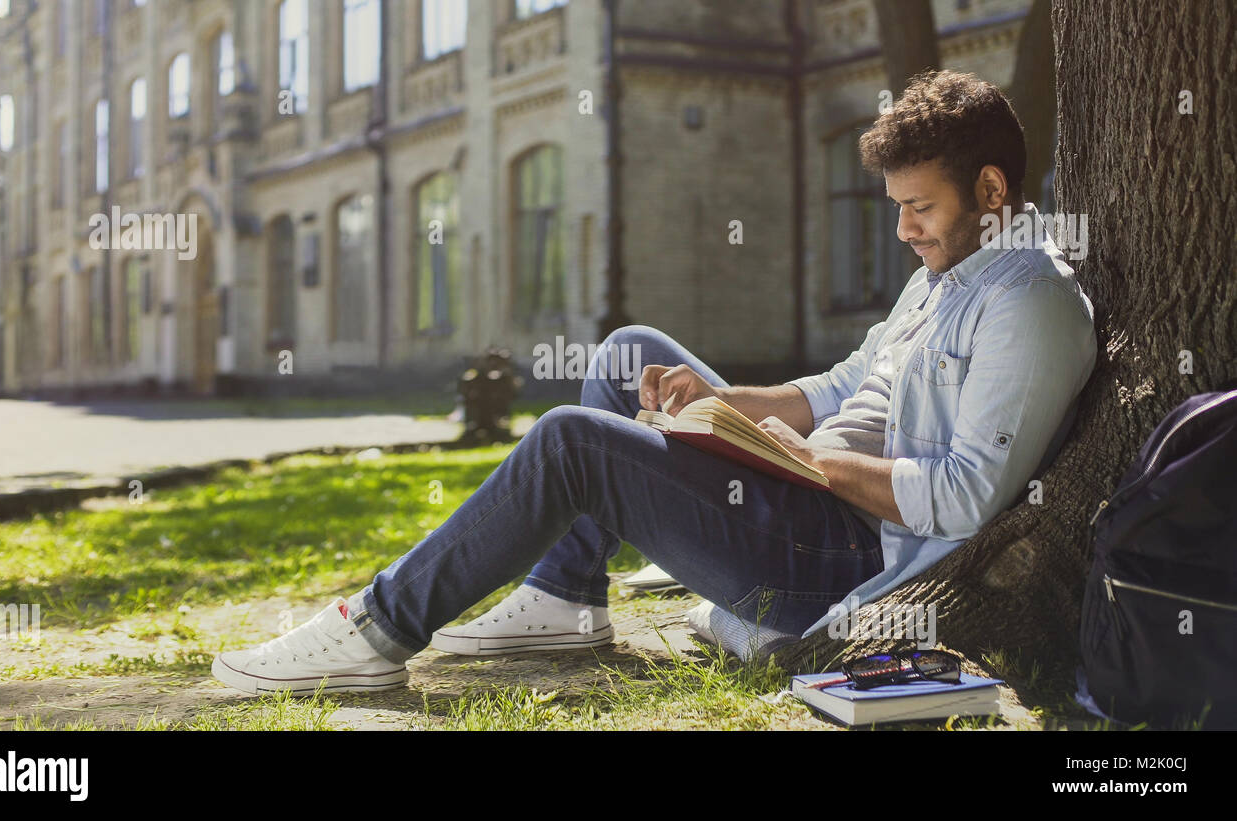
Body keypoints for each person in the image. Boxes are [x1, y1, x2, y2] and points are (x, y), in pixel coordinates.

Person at [211, 70, 1097, 695]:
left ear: (990, 187)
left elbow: (965, 497)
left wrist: (805, 462)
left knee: (569, 439)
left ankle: (376, 627)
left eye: (921, 207)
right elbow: (845, 384)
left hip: (835, 558)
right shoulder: (943, 271)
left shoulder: (1030, 304)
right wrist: (736, 409)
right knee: (630, 351)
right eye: (895, 206)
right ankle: (564, 597)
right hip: (798, 487)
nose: (904, 228)